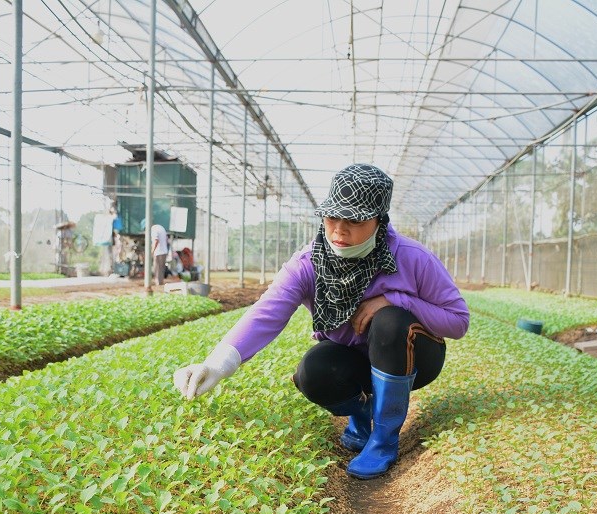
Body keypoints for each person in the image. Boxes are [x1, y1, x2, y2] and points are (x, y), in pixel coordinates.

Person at [173, 163, 469, 479]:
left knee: (389, 321)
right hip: (354, 359)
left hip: (412, 359)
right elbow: (266, 313)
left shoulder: (412, 257)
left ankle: (383, 440)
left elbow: (457, 321)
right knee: (313, 373)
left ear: (379, 221)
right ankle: (363, 413)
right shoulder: (308, 263)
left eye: (354, 220)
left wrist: (398, 299)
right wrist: (217, 363)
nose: (339, 229)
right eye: (332, 217)